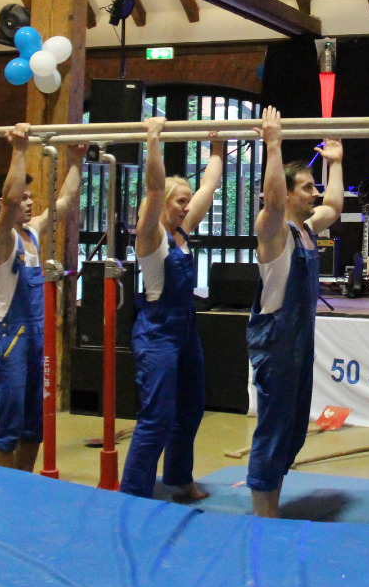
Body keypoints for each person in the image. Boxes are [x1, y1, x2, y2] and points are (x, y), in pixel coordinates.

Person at [120, 117, 224, 500]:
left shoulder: (183, 230)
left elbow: (210, 185)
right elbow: (153, 186)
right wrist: (153, 138)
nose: (187, 206)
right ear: (164, 204)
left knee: (191, 409)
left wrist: (218, 145)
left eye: (187, 201)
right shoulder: (151, 235)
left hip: (185, 331)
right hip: (157, 333)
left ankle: (179, 478)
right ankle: (134, 493)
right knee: (157, 417)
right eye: (181, 201)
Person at [247, 107, 344, 517]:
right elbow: (271, 203)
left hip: (299, 341)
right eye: (306, 188)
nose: (315, 193)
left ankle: (273, 503)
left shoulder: (306, 229)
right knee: (274, 428)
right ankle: (263, 513)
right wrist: (273, 144)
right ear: (286, 195)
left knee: (292, 431)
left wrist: (336, 163)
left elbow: (334, 205)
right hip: (276, 340)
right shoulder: (274, 231)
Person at [0, 123, 85, 471]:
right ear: (4, 203)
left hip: (36, 337)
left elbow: (65, 202)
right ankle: (5, 486)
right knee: (9, 423)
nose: (28, 202)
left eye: (30, 197)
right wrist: (19, 149)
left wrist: (77, 160)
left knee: (33, 423)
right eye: (23, 197)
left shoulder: (33, 231)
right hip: (10, 338)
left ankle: (24, 482)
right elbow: (10, 200)